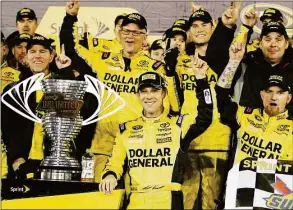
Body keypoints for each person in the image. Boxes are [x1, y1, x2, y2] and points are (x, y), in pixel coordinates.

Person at [60, 1, 183, 182]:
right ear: (119, 33)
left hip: (139, 147)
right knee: (101, 202)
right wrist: (70, 18)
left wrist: (171, 73)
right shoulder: (102, 61)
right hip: (102, 147)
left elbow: (175, 105)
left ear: (144, 36)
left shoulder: (156, 68)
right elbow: (70, 50)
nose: (130, 36)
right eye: (126, 31)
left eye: (136, 32)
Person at [99, 68, 214, 209]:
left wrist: (201, 80)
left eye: (154, 91)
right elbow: (114, 163)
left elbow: (205, 116)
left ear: (164, 93)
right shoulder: (126, 129)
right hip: (137, 200)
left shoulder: (179, 124)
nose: (149, 96)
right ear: (138, 95)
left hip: (168, 199)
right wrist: (110, 175)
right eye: (144, 91)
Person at [1, 35, 95, 179]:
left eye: (43, 51)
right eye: (32, 52)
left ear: (51, 57)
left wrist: (65, 71)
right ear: (25, 58)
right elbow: (6, 131)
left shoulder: (63, 85)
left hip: (58, 167)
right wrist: (15, 159)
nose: (37, 56)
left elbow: (77, 118)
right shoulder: (13, 91)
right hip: (22, 166)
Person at [181, 4, 242, 209]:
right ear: (188, 32)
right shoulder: (178, 62)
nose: (199, 29)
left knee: (212, 204)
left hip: (218, 143)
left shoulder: (224, 59)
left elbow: (223, 45)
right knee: (183, 203)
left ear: (213, 26)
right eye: (194, 25)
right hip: (187, 144)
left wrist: (228, 26)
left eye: (204, 24)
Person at [215, 38, 293, 165]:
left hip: (277, 184)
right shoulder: (244, 115)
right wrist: (234, 62)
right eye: (269, 91)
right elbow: (221, 96)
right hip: (240, 183)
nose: (273, 97)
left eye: (280, 93)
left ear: (288, 98)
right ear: (262, 95)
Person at [239, 21, 293, 115]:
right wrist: (246, 27)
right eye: (268, 40)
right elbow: (221, 56)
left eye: (278, 40)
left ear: (286, 44)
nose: (273, 44)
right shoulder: (250, 62)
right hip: (250, 123)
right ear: (260, 43)